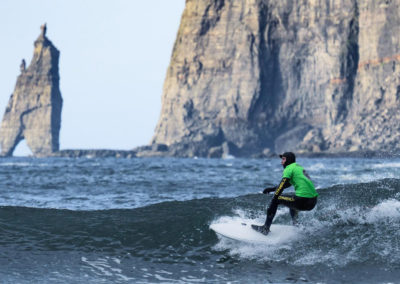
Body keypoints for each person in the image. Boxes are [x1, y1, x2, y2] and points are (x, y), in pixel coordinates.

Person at [252, 152, 318, 235]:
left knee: (276, 199)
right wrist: (271, 189)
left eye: (283, 159)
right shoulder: (298, 168)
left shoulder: (289, 168)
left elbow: (282, 184)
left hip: (302, 201)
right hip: (312, 201)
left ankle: (265, 228)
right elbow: (287, 183)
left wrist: (275, 197)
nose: (281, 162)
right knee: (292, 199)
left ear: (288, 160)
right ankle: (296, 225)